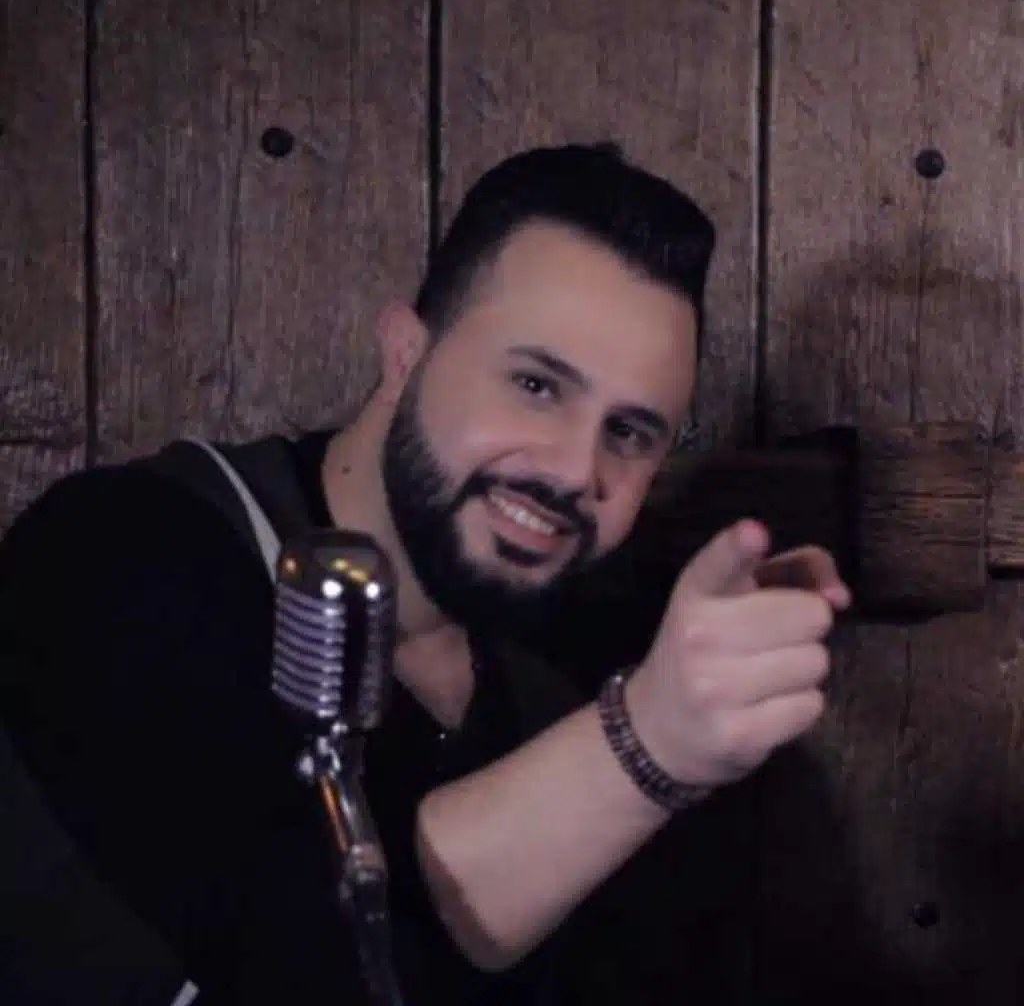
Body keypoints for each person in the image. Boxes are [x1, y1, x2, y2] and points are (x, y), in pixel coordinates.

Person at [0, 142, 850, 1004]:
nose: (571, 470)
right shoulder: (121, 553)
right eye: (536, 385)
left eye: (628, 433)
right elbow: (304, 959)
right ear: (405, 350)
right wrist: (647, 740)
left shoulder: (559, 670)